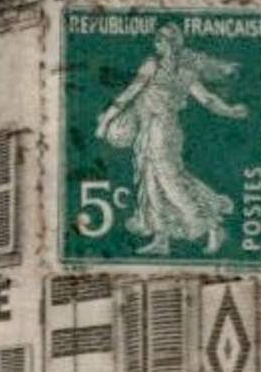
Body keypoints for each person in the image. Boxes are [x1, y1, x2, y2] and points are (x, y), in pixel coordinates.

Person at [94, 22, 248, 256]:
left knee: (169, 180)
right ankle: (161, 238)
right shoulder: (185, 73)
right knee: (151, 181)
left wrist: (106, 121)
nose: (156, 45)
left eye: (160, 41)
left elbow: (129, 94)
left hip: (161, 129)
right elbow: (209, 100)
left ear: (168, 44)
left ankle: (212, 226)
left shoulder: (154, 66)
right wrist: (230, 110)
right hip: (154, 128)